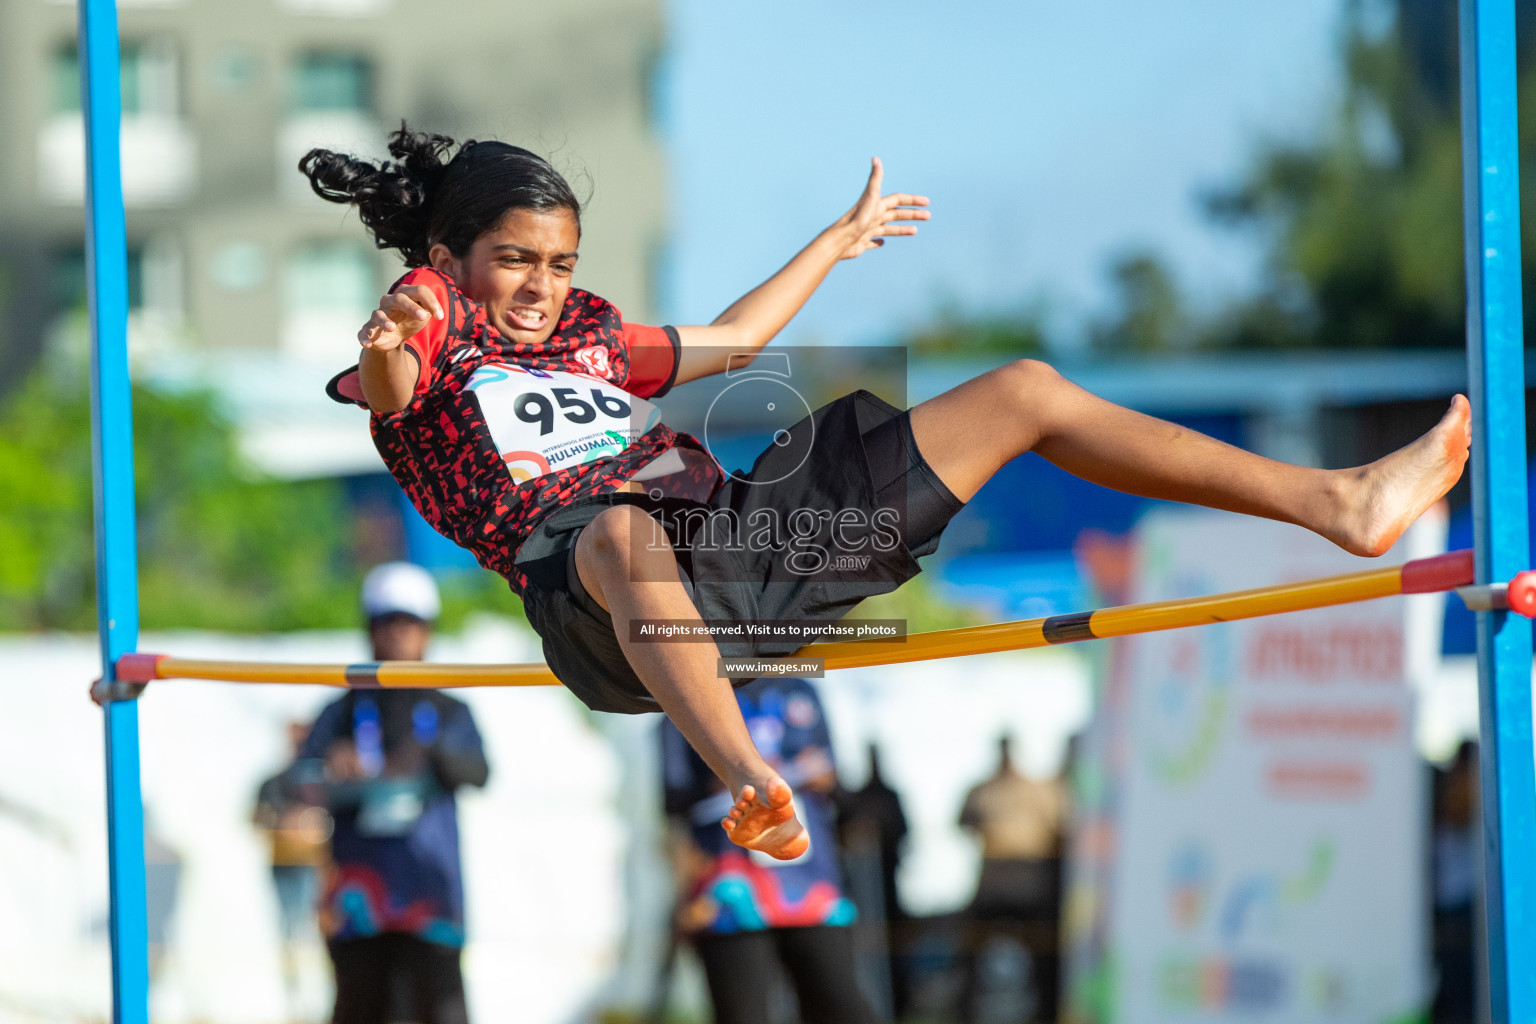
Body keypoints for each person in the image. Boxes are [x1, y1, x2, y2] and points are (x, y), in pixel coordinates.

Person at [306, 125, 1470, 865]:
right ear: (453, 253)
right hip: (603, 611)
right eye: (516, 260)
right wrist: (401, 323)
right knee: (617, 529)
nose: (542, 287)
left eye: (559, 263)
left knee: (1021, 390)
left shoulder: (596, 338)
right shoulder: (429, 336)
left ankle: (1341, 501)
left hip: (741, 550)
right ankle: (749, 777)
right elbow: (394, 384)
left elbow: (744, 337)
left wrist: (835, 241)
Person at [291, 561, 490, 1024]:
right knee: (360, 1008)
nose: (398, 634)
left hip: (430, 894)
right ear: (369, 629)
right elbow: (294, 784)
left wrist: (430, 755)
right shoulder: (340, 710)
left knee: (441, 1009)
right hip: (359, 899)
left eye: (409, 622)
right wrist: (330, 768)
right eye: (387, 622)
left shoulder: (448, 708)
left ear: (428, 631)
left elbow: (479, 772)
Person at [660, 677, 880, 1024]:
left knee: (841, 1004)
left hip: (810, 884)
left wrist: (813, 778)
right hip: (728, 888)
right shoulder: (681, 694)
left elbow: (832, 775)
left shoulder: (799, 688)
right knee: (744, 1012)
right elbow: (673, 805)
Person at [957, 735, 1067, 1023]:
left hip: (1031, 886)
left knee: (1044, 958)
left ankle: (1047, 1013)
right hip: (992, 887)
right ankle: (965, 1012)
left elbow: (1063, 826)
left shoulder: (1039, 789)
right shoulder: (983, 789)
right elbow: (962, 822)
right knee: (970, 952)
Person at [253, 721, 331, 1020]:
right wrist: (284, 825)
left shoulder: (321, 782)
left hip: (316, 869)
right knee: (290, 934)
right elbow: (258, 817)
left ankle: (319, 998)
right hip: (284, 868)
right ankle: (296, 1001)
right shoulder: (275, 782)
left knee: (315, 935)